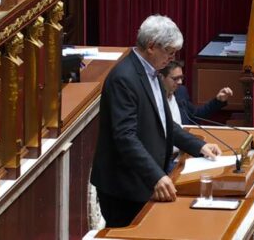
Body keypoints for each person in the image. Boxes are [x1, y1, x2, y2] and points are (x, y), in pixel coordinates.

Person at [90, 15, 221, 228]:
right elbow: (125, 137)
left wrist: (199, 146)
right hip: (125, 188)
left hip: (145, 180)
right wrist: (156, 177)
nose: (172, 58)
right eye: (169, 52)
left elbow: (165, 123)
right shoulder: (124, 78)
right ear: (151, 47)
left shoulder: (153, 73)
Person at [158, 60, 233, 125]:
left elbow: (196, 115)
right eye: (175, 79)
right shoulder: (154, 97)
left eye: (181, 77)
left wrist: (218, 100)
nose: (180, 82)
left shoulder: (181, 92)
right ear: (161, 77)